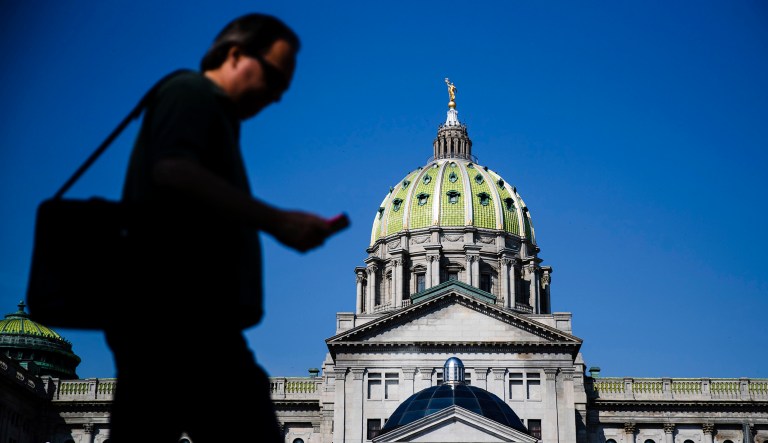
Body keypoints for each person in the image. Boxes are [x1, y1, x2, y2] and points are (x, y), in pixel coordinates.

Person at [106, 13, 343, 442]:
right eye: (273, 78)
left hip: (182, 317)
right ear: (236, 55)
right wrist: (277, 220)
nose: (275, 96)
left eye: (283, 88)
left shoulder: (210, 114)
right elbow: (172, 171)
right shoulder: (190, 93)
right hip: (179, 316)